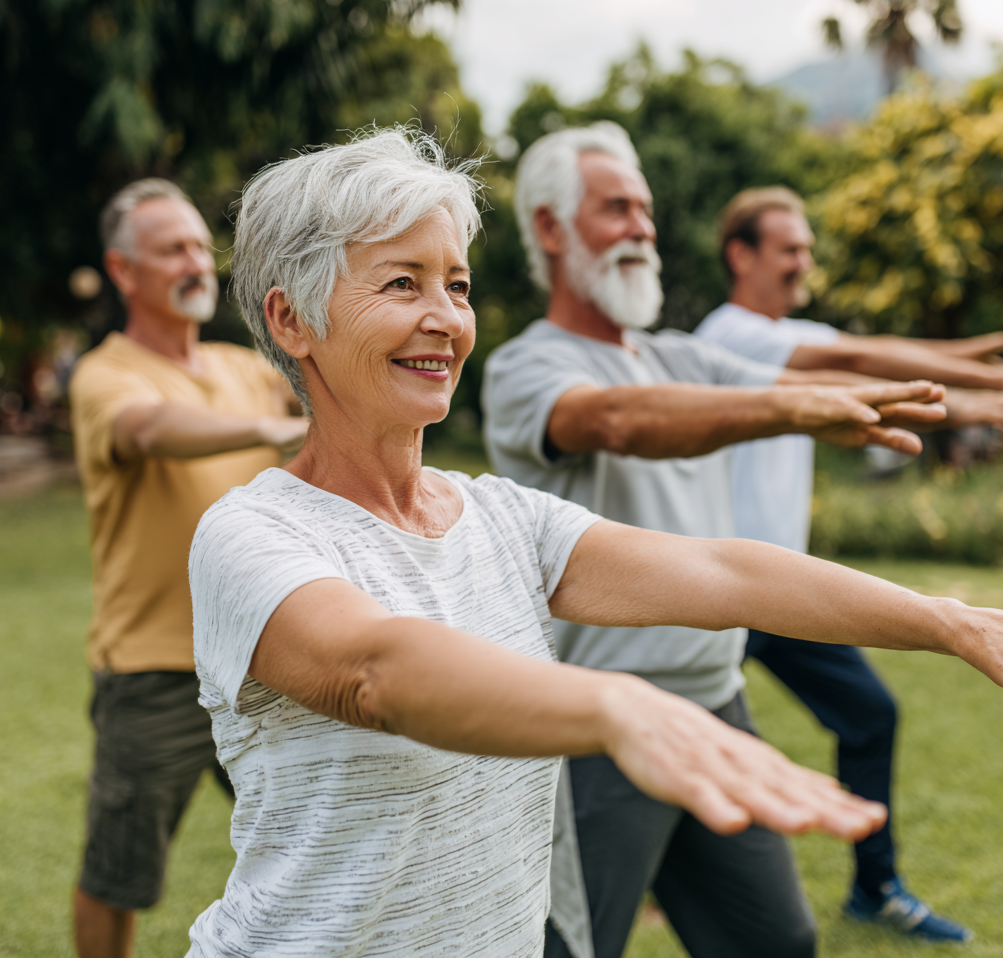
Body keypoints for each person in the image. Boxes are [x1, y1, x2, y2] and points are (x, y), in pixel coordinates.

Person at [176, 127, 1003, 958]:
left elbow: (721, 570)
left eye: (456, 285)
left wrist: (953, 622)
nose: (446, 319)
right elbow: (374, 673)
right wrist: (619, 705)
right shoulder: (251, 534)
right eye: (402, 283)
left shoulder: (503, 519)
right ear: (292, 320)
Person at [480, 122, 961, 958]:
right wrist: (788, 407)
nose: (642, 227)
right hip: (598, 723)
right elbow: (619, 421)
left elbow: (829, 382)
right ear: (551, 230)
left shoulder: (680, 356)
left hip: (714, 703)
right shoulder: (528, 366)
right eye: (617, 208)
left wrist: (975, 390)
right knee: (559, 951)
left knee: (775, 941)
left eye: (647, 210)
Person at [695, 186, 1003, 944]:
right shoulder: (730, 335)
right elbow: (859, 356)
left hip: (783, 592)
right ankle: (650, 871)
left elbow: (901, 360)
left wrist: (982, 356)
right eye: (789, 248)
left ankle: (876, 888)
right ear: (742, 255)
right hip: (709, 593)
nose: (805, 261)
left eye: (805, 248)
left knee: (870, 712)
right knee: (681, 739)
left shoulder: (795, 335)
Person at [69, 178, 308, 958]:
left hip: (266, 661)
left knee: (316, 847)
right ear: (123, 269)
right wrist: (271, 427)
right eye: (172, 248)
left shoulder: (246, 366)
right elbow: (152, 429)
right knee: (119, 872)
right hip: (155, 671)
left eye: (201, 246)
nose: (195, 261)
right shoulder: (108, 374)